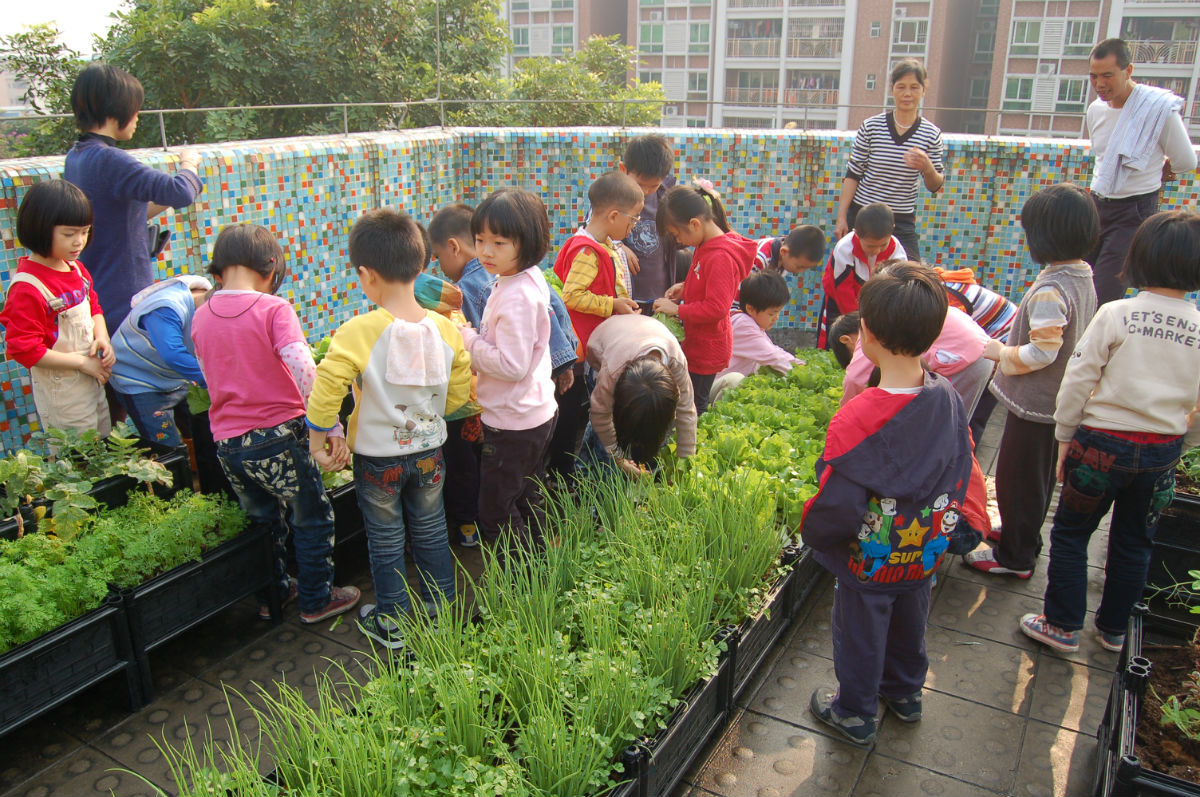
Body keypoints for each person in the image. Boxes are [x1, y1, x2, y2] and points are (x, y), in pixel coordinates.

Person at [801, 262, 973, 746]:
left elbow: (838, 502)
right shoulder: (948, 398)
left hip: (870, 558)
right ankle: (904, 693)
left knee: (860, 629)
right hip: (926, 547)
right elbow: (964, 464)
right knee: (912, 615)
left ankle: (854, 712)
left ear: (865, 335)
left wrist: (816, 535)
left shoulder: (859, 416)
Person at [1020, 210, 1200, 654]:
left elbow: (1079, 378)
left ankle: (1061, 624)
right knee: (1136, 541)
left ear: (1138, 257)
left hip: (1100, 446)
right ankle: (1115, 629)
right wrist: (1184, 441)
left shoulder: (1117, 314)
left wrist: (1065, 434)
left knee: (1071, 533)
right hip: (1161, 450)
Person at [306, 209, 471, 650]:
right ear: (421, 267)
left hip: (378, 459)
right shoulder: (445, 329)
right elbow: (458, 392)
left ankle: (394, 622)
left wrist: (320, 437)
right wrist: (436, 412)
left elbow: (327, 384)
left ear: (366, 274)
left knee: (385, 539)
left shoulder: (358, 331)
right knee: (432, 530)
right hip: (430, 454)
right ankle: (441, 612)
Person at [191, 223, 360, 624]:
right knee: (312, 516)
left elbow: (207, 373)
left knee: (263, 523)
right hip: (278, 437)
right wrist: (330, 426)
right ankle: (317, 599)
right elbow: (304, 368)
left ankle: (274, 594)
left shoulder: (201, 316)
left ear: (218, 272)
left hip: (228, 445)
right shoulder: (273, 309)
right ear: (271, 269)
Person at [965, 184, 1099, 578]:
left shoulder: (1051, 289)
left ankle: (1016, 557)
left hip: (1037, 403)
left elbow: (1043, 352)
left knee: (1016, 480)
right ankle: (1023, 536)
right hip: (1056, 403)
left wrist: (999, 352)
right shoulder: (1080, 275)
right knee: (1035, 479)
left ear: (1043, 237)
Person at [456, 188, 558, 565]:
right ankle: (541, 565)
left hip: (513, 422)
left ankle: (518, 582)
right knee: (526, 494)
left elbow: (512, 366)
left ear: (527, 243)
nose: (485, 251)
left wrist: (467, 339)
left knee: (495, 510)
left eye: (499, 242)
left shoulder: (516, 295)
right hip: (534, 411)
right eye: (480, 240)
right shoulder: (523, 277)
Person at [63, 63, 204, 333]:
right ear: (118, 110)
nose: (138, 117)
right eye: (135, 109)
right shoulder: (110, 159)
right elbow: (181, 191)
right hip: (123, 293)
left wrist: (158, 199)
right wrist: (189, 165)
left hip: (97, 286)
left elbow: (111, 212)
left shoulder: (77, 157)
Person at [1085, 38, 1197, 306]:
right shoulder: (1095, 110)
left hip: (1134, 211)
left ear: (1128, 71)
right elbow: (1103, 158)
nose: (1100, 84)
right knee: (1077, 279)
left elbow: (1186, 160)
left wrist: (1163, 169)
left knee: (1104, 293)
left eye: (1108, 76)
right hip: (1097, 203)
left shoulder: (1156, 110)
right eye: (1094, 76)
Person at [0, 179, 114, 436]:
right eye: (69, 234)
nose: (79, 242)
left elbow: (94, 306)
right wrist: (81, 363)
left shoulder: (76, 268)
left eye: (84, 232)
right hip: (63, 389)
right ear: (39, 228)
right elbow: (24, 349)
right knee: (79, 454)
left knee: (102, 442)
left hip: (90, 376)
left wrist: (102, 337)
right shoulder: (27, 287)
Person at [107, 274, 230, 495]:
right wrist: (216, 383)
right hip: (139, 382)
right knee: (168, 451)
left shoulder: (209, 308)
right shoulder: (166, 308)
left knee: (203, 433)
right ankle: (178, 505)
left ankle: (210, 494)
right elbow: (172, 354)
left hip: (174, 378)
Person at [651, 182, 758, 414]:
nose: (677, 241)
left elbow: (717, 307)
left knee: (694, 405)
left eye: (676, 234)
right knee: (688, 399)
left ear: (695, 224)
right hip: (698, 342)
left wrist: (677, 310)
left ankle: (692, 447)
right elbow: (705, 282)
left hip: (707, 348)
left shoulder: (720, 256)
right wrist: (685, 287)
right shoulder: (705, 244)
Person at [834, 59, 944, 262]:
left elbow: (935, 185)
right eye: (901, 87)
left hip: (900, 220)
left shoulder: (931, 133)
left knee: (910, 278)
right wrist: (841, 217)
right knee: (854, 274)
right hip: (863, 214)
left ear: (923, 90)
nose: (907, 94)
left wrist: (927, 167)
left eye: (914, 87)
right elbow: (853, 174)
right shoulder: (871, 127)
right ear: (892, 89)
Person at [584, 314, 697, 476]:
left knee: (643, 427)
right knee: (602, 436)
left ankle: (634, 457)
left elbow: (686, 411)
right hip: (601, 347)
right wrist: (619, 459)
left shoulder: (676, 363)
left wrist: (684, 466)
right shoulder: (612, 371)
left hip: (640, 334)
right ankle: (589, 469)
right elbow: (600, 414)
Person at [552, 171, 643, 356]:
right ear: (613, 216)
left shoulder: (603, 244)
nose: (634, 225)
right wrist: (613, 304)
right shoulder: (587, 252)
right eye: (633, 219)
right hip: (588, 347)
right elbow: (571, 296)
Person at [933, 265, 1019, 441]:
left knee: (974, 416)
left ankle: (968, 458)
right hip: (999, 343)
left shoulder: (946, 301)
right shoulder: (942, 284)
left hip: (1005, 348)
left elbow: (955, 343)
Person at [818, 203, 906, 348]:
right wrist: (860, 326)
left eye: (883, 245)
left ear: (892, 232)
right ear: (857, 234)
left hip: (874, 304)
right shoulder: (844, 249)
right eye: (871, 246)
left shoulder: (897, 251)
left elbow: (895, 291)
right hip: (840, 302)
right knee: (834, 341)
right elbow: (843, 292)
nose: (877, 251)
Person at [617, 135, 678, 307]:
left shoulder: (666, 196)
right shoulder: (611, 195)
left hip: (659, 292)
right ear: (623, 169)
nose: (645, 191)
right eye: (640, 184)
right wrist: (619, 246)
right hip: (626, 297)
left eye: (653, 186)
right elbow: (591, 231)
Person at [719, 271, 800, 378]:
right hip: (718, 385)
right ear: (750, 309)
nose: (776, 317)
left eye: (778, 312)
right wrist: (800, 375)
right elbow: (773, 356)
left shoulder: (749, 322)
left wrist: (800, 364)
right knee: (736, 379)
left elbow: (774, 350)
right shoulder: (743, 324)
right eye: (772, 313)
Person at [752, 226, 826, 274]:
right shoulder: (759, 258)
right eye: (799, 267)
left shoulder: (786, 256)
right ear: (783, 251)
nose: (800, 271)